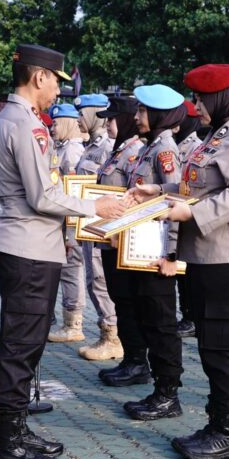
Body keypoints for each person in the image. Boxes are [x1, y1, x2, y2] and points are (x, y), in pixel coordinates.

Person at [0, 43, 125, 459]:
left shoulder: (17, 119)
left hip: (30, 244)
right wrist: (95, 208)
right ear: (39, 77)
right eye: (55, 84)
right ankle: (7, 444)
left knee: (25, 343)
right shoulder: (26, 125)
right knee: (19, 345)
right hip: (28, 247)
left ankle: (18, 430)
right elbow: (41, 194)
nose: (57, 94)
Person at [131, 64, 229, 459]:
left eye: (202, 98)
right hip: (208, 259)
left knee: (224, 350)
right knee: (212, 348)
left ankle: (228, 435)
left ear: (222, 98)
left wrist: (190, 215)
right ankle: (217, 424)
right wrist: (159, 189)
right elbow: (197, 185)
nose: (195, 106)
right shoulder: (213, 140)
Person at [118, 84, 185, 421]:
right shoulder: (149, 148)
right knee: (149, 319)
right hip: (140, 251)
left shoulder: (165, 152)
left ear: (158, 114)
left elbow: (177, 202)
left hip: (157, 254)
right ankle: (159, 389)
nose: (136, 117)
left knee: (161, 323)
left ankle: (168, 394)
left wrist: (171, 255)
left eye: (143, 111)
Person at [91, 96, 149, 384]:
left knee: (128, 301)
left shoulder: (135, 152)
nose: (107, 124)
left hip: (123, 242)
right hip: (108, 239)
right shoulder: (119, 151)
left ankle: (138, 362)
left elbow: (135, 200)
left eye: (111, 119)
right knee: (120, 300)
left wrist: (121, 233)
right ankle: (130, 358)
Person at [73, 93, 120, 361]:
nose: (79, 119)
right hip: (88, 222)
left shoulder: (107, 147)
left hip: (102, 225)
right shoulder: (91, 147)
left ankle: (112, 336)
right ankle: (108, 332)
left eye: (83, 114)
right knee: (93, 281)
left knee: (100, 281)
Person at [47, 103, 88, 343]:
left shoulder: (72, 151)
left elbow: (73, 189)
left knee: (71, 270)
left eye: (56, 123)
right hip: (65, 219)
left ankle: (73, 324)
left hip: (72, 220)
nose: (53, 128)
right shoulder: (63, 148)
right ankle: (68, 321)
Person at [173, 100, 204, 339]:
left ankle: (191, 316)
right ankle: (188, 314)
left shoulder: (196, 147)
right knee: (181, 273)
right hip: (176, 214)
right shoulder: (177, 144)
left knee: (188, 274)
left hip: (192, 215)